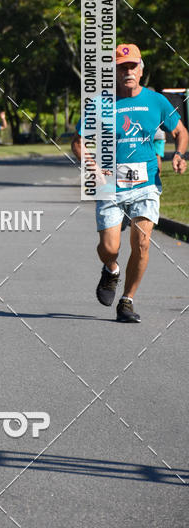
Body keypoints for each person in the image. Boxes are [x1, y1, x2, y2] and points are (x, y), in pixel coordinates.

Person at [71, 44, 187, 323]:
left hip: (146, 183)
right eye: (121, 67)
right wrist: (93, 167)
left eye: (132, 66)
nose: (128, 72)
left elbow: (181, 132)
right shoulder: (100, 104)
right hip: (110, 184)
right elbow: (78, 142)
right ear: (113, 72)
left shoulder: (156, 101)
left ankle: (127, 301)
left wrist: (180, 154)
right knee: (110, 248)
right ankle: (111, 269)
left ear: (141, 70)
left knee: (142, 243)